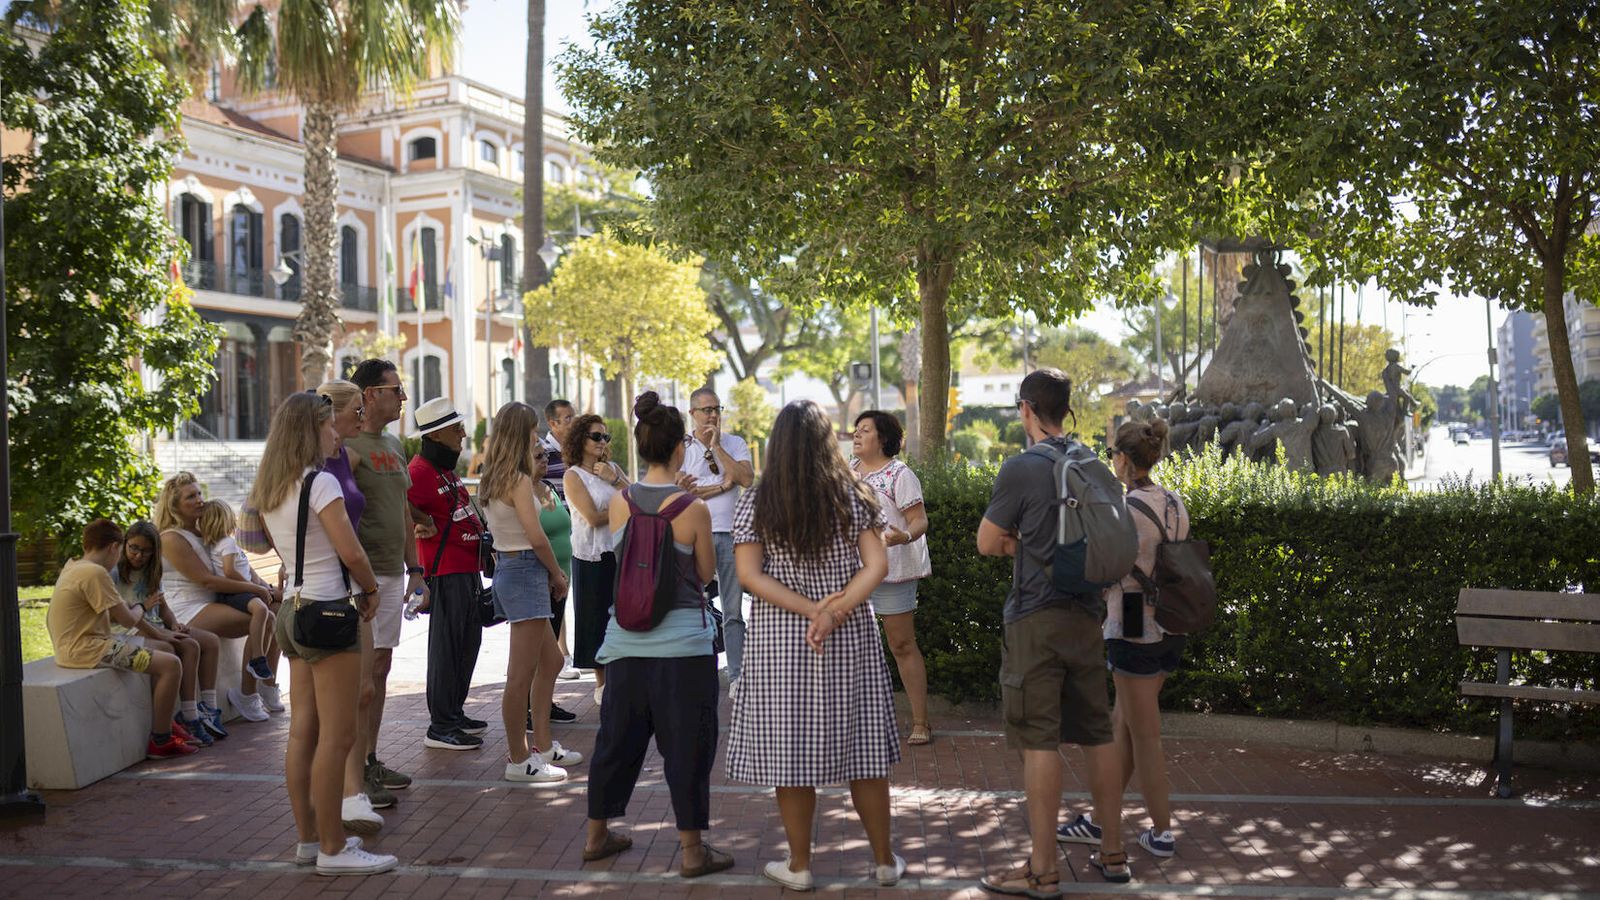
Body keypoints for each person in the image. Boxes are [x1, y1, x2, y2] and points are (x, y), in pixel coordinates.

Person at [727, 400, 904, 891]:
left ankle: (800, 866)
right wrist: (836, 608)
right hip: (850, 639)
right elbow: (878, 567)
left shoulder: (758, 498)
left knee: (790, 749)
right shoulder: (854, 493)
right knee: (864, 747)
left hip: (782, 640)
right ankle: (885, 861)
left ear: (778, 443)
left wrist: (811, 611)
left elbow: (747, 575)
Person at [976, 368, 1128, 893]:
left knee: (1040, 741)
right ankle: (1114, 853)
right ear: (1066, 409)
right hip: (1088, 615)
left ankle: (1042, 870)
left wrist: (1025, 546)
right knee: (1097, 733)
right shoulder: (1091, 462)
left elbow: (986, 541)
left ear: (1025, 409)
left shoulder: (1021, 467)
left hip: (1034, 618)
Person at [582, 392, 732, 878]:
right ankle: (691, 851)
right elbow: (706, 575)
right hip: (683, 647)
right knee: (687, 746)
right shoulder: (693, 509)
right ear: (678, 450)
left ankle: (596, 835)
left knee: (616, 742)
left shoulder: (622, 503)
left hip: (624, 642)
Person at [251, 391, 395, 876]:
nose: (336, 432)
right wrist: (371, 588)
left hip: (291, 611)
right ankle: (334, 847)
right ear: (309, 430)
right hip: (330, 610)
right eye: (328, 425)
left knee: (303, 732)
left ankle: (309, 840)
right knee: (339, 735)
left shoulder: (275, 486)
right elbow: (351, 552)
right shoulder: (320, 484)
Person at [1057, 416, 1188, 865]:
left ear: (1125, 460)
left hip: (1132, 623)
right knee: (1125, 726)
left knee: (1144, 736)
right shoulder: (1175, 502)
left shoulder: (1124, 509)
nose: (1111, 460)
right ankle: (1098, 819)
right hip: (1173, 622)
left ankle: (1163, 832)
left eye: (1114, 453)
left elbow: (1103, 571)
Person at [479, 401, 583, 782]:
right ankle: (519, 759)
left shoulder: (497, 475)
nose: (537, 436)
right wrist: (556, 574)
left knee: (552, 662)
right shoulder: (517, 478)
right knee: (519, 676)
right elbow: (536, 536)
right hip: (524, 569)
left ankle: (541, 744)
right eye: (533, 430)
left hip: (517, 570)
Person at [48, 518, 197, 759]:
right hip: (90, 650)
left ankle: (166, 722)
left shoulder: (75, 566)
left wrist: (135, 611)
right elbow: (129, 619)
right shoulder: (95, 573)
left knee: (165, 650)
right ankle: (161, 740)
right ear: (114, 547)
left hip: (84, 645)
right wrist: (140, 606)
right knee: (171, 666)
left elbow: (112, 608)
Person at [346, 361, 426, 805]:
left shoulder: (394, 445)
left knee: (380, 669)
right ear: (371, 393)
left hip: (394, 575)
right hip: (361, 577)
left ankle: (370, 758)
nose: (403, 398)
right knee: (361, 680)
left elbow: (401, 508)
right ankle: (353, 772)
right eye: (397, 390)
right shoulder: (346, 444)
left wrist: (415, 569)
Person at [317, 378, 388, 835]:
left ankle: (354, 789)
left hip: (351, 586)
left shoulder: (348, 455)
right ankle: (338, 802)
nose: (363, 417)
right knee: (326, 714)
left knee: (360, 693)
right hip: (327, 589)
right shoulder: (311, 466)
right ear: (333, 415)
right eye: (356, 411)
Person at [154, 472, 282, 722]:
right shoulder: (171, 538)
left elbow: (239, 563)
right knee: (265, 617)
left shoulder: (206, 531)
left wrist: (268, 589)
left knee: (278, 610)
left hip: (214, 601)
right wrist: (258, 591)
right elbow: (206, 580)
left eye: (200, 493)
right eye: (191, 496)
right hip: (188, 608)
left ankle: (268, 685)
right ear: (175, 505)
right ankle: (246, 694)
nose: (200, 499)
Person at [407, 396, 488, 750]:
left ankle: (454, 712)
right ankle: (440, 724)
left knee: (468, 643)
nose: (464, 434)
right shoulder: (418, 472)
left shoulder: (443, 469)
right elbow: (396, 500)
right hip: (444, 571)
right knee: (447, 647)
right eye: (457, 429)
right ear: (437, 435)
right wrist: (419, 520)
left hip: (466, 568)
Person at [851, 410, 934, 746]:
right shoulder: (846, 473)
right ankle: (859, 725)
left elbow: (920, 521)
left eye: (865, 430)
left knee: (901, 645)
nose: (856, 435)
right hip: (853, 574)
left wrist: (904, 537)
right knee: (852, 649)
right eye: (855, 430)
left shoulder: (900, 474)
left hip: (893, 572)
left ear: (883, 438)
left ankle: (921, 723)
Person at [114, 519, 227, 743]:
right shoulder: (115, 573)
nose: (138, 555)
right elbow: (126, 618)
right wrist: (161, 633)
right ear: (125, 544)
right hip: (130, 629)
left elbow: (164, 608)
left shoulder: (152, 572)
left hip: (156, 626)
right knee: (183, 646)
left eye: (145, 551)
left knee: (207, 641)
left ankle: (203, 710)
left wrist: (174, 625)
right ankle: (189, 715)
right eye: (134, 548)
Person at [675, 388, 754, 687]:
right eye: (706, 410)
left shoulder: (734, 443)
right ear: (692, 413)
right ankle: (694, 675)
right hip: (694, 537)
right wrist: (722, 486)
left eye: (716, 409)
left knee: (733, 612)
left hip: (732, 535)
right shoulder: (680, 447)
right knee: (691, 607)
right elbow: (681, 492)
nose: (712, 415)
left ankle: (737, 676)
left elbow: (746, 479)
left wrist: (718, 447)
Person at [562, 412, 630, 703]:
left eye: (605, 436)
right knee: (595, 619)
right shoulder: (573, 475)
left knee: (623, 617)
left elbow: (638, 498)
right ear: (581, 439)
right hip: (591, 556)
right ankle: (601, 685)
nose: (602, 441)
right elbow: (591, 517)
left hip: (620, 552)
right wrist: (621, 510)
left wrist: (614, 479)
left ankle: (620, 676)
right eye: (596, 436)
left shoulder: (612, 469)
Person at [194, 499, 278, 686]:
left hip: (232, 592)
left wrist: (262, 587)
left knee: (272, 603)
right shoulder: (228, 544)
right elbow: (230, 571)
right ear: (228, 521)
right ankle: (258, 658)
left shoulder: (217, 544)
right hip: (236, 591)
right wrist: (252, 587)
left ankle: (259, 660)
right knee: (262, 610)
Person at [541, 398, 583, 685]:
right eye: (566, 418)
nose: (572, 422)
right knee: (559, 594)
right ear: (552, 423)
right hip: (555, 535)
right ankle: (561, 654)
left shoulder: (576, 453)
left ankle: (567, 655)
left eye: (573, 417)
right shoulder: (542, 455)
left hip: (578, 533)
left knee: (569, 593)